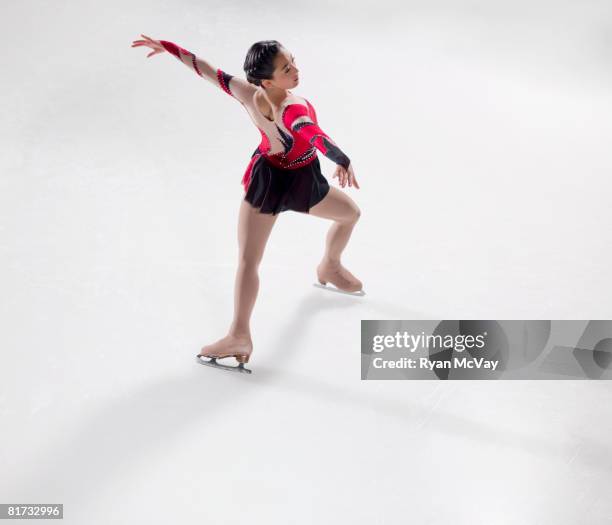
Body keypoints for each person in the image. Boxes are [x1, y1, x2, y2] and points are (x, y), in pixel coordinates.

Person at [131, 35, 363, 373]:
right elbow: (313, 134)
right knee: (248, 260)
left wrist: (168, 47)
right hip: (270, 184)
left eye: (293, 60)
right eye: (287, 68)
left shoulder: (246, 93)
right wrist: (341, 158)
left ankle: (330, 265)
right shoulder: (291, 108)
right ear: (267, 81)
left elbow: (207, 70)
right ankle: (239, 335)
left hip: (298, 179)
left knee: (350, 214)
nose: (296, 70)